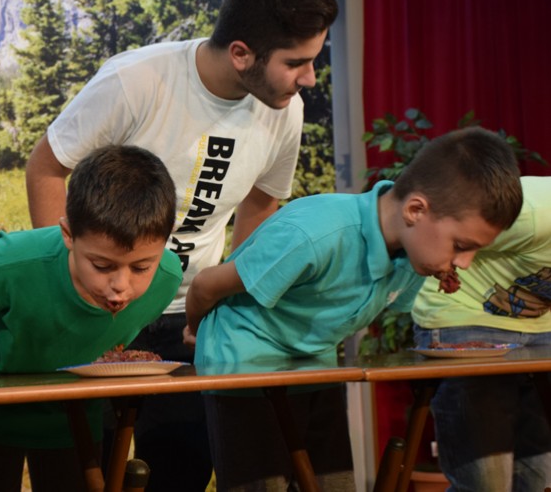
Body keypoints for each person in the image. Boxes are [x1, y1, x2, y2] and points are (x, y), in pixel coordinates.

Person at [24, 0, 339, 490]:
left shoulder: (285, 110)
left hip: (189, 318)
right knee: (88, 473)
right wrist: (73, 286)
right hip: (98, 313)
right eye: (297, 63)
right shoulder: (136, 80)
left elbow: (262, 204)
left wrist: (228, 299)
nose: (308, 78)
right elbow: (46, 167)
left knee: (180, 473)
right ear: (242, 54)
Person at [185, 126, 524, 490]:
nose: (466, 263)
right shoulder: (314, 234)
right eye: (461, 245)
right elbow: (206, 285)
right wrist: (195, 330)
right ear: (415, 210)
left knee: (335, 483)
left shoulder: (416, 256)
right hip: (245, 367)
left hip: (313, 365)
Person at [0, 145, 183, 492]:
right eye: (102, 266)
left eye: (140, 267)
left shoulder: (166, 279)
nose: (120, 288)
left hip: (72, 412)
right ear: (68, 234)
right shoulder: (8, 263)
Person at [412, 175, 551, 490]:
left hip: (542, 327)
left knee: (540, 480)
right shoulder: (530, 215)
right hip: (465, 313)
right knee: (485, 483)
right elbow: (435, 229)